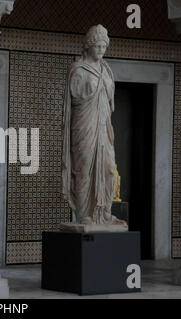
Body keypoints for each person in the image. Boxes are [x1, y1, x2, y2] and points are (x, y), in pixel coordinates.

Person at [61, 25, 125, 226]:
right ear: (89, 45)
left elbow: (110, 101)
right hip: (85, 125)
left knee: (108, 168)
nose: (101, 49)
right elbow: (76, 99)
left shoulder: (106, 69)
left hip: (103, 125)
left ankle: (104, 212)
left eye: (104, 46)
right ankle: (84, 214)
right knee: (84, 168)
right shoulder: (78, 69)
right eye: (97, 45)